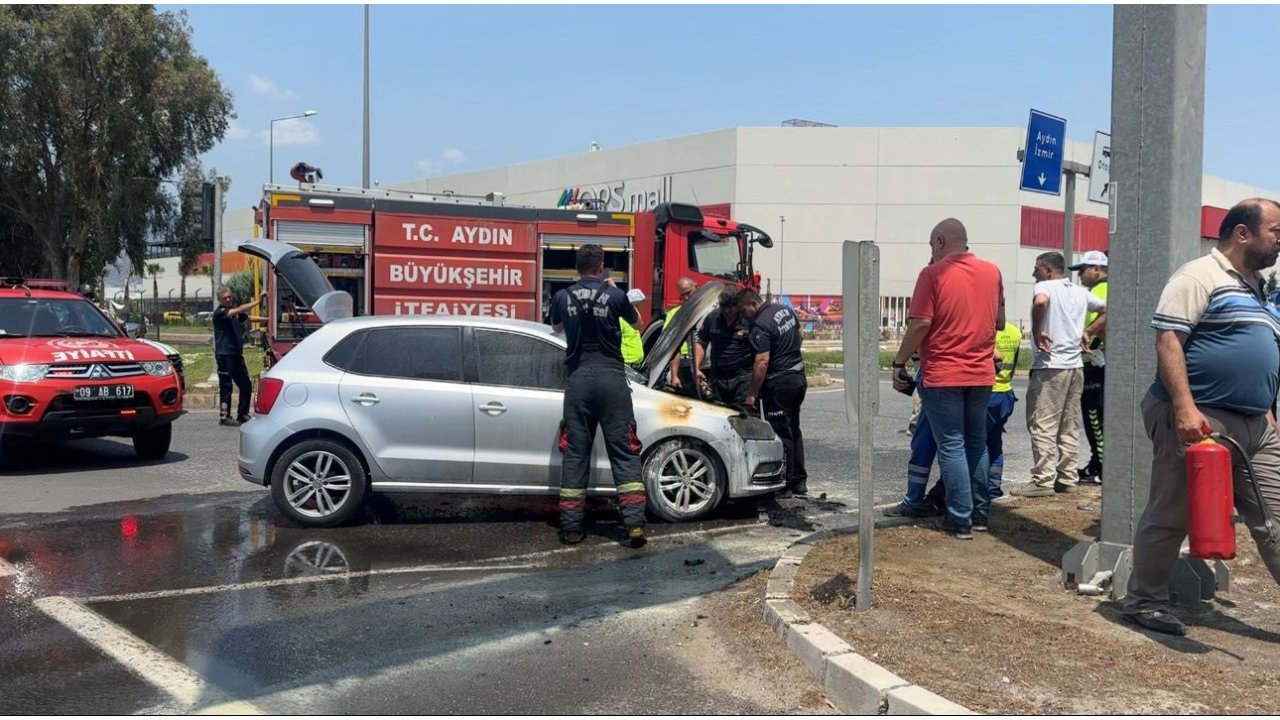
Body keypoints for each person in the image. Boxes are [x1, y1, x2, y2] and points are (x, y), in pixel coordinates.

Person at [1124, 198, 1280, 636]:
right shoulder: (1198, 275)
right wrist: (1185, 408)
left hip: (1254, 426)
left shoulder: (1258, 287)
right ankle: (1144, 601)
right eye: (1276, 231)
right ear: (1242, 233)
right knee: (1172, 512)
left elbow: (1259, 356)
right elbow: (1169, 340)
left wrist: (1265, 409)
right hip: (1199, 417)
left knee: (1274, 516)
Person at [891, 219, 1004, 539]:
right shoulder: (992, 272)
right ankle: (980, 514)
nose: (931, 251)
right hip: (981, 373)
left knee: (952, 445)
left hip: (944, 374)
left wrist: (899, 362)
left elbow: (920, 324)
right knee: (977, 443)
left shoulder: (932, 274)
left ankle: (959, 520)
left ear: (940, 241)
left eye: (931, 245)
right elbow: (999, 321)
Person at [549, 244, 648, 548]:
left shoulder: (562, 297)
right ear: (602, 266)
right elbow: (637, 323)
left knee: (576, 453)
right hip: (612, 380)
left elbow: (555, 327)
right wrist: (614, 292)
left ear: (576, 267)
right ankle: (633, 525)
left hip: (579, 381)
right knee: (624, 450)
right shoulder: (616, 296)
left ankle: (571, 529)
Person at [1012, 252, 1106, 498]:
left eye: (1036, 268)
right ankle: (1067, 476)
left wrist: (1037, 330)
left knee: (1041, 422)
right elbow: (1108, 308)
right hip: (1075, 366)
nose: (1033, 273)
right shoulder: (1078, 291)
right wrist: (1089, 330)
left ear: (1047, 270)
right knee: (1069, 423)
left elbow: (1041, 302)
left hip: (1050, 365)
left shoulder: (1045, 286)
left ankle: (1042, 480)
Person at [738, 289, 808, 497]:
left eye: (744, 311)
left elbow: (762, 361)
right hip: (798, 376)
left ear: (752, 304)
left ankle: (785, 484)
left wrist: (752, 394)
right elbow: (800, 334)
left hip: (779, 383)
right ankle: (799, 480)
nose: (743, 316)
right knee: (793, 428)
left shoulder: (761, 324)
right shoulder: (784, 310)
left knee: (781, 432)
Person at [1070, 250, 1109, 484]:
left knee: (1094, 414)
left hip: (1097, 361)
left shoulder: (1101, 290)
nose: (1080, 276)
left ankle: (1102, 466)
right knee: (1094, 414)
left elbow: (1109, 313)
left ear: (1096, 269)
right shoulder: (1098, 289)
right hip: (1097, 359)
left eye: (1082, 270)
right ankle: (1097, 462)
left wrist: (1088, 332)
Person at [693, 287, 755, 409]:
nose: (726, 311)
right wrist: (696, 367)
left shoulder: (748, 319)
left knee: (743, 419)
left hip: (742, 380)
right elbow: (701, 343)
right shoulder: (712, 318)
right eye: (723, 306)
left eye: (730, 306)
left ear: (738, 305)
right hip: (718, 379)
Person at [213, 286, 265, 427]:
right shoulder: (220, 313)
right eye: (225, 298)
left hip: (236, 355)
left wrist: (268, 319)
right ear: (219, 300)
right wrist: (258, 301)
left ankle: (242, 414)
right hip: (224, 356)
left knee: (246, 385)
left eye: (230, 296)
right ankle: (224, 417)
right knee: (226, 386)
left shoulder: (233, 311)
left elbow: (247, 317)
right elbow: (240, 310)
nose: (228, 299)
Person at [666, 277, 699, 392]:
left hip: (706, 366)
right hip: (684, 365)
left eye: (689, 293)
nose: (686, 297)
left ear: (696, 287)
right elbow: (673, 347)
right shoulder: (674, 315)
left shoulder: (708, 311)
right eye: (682, 295)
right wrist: (674, 376)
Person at [620, 288, 646, 369]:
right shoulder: (622, 319)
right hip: (628, 364)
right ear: (636, 303)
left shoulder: (635, 320)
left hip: (633, 364)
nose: (642, 305)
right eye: (641, 302)